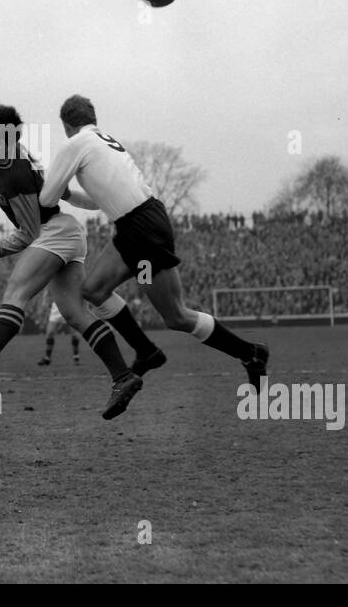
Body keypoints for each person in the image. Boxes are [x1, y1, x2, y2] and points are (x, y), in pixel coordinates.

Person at [0, 105, 162, 419]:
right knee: (76, 313)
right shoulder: (13, 155)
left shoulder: (11, 172)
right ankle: (123, 377)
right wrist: (94, 200)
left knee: (16, 292)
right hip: (65, 232)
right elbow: (58, 192)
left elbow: (28, 232)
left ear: (0, 136)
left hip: (53, 233)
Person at [37, 95, 269, 393]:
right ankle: (146, 352)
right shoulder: (102, 141)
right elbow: (97, 203)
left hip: (141, 228)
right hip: (136, 225)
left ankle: (250, 353)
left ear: (66, 125)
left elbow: (45, 198)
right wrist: (68, 195)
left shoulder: (75, 144)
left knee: (176, 316)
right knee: (93, 289)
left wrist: (49, 185)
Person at [38, 301, 79, 366]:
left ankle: (76, 357)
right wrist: (45, 302)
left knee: (74, 334)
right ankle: (47, 358)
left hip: (70, 307)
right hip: (56, 308)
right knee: (50, 333)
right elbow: (49, 292)